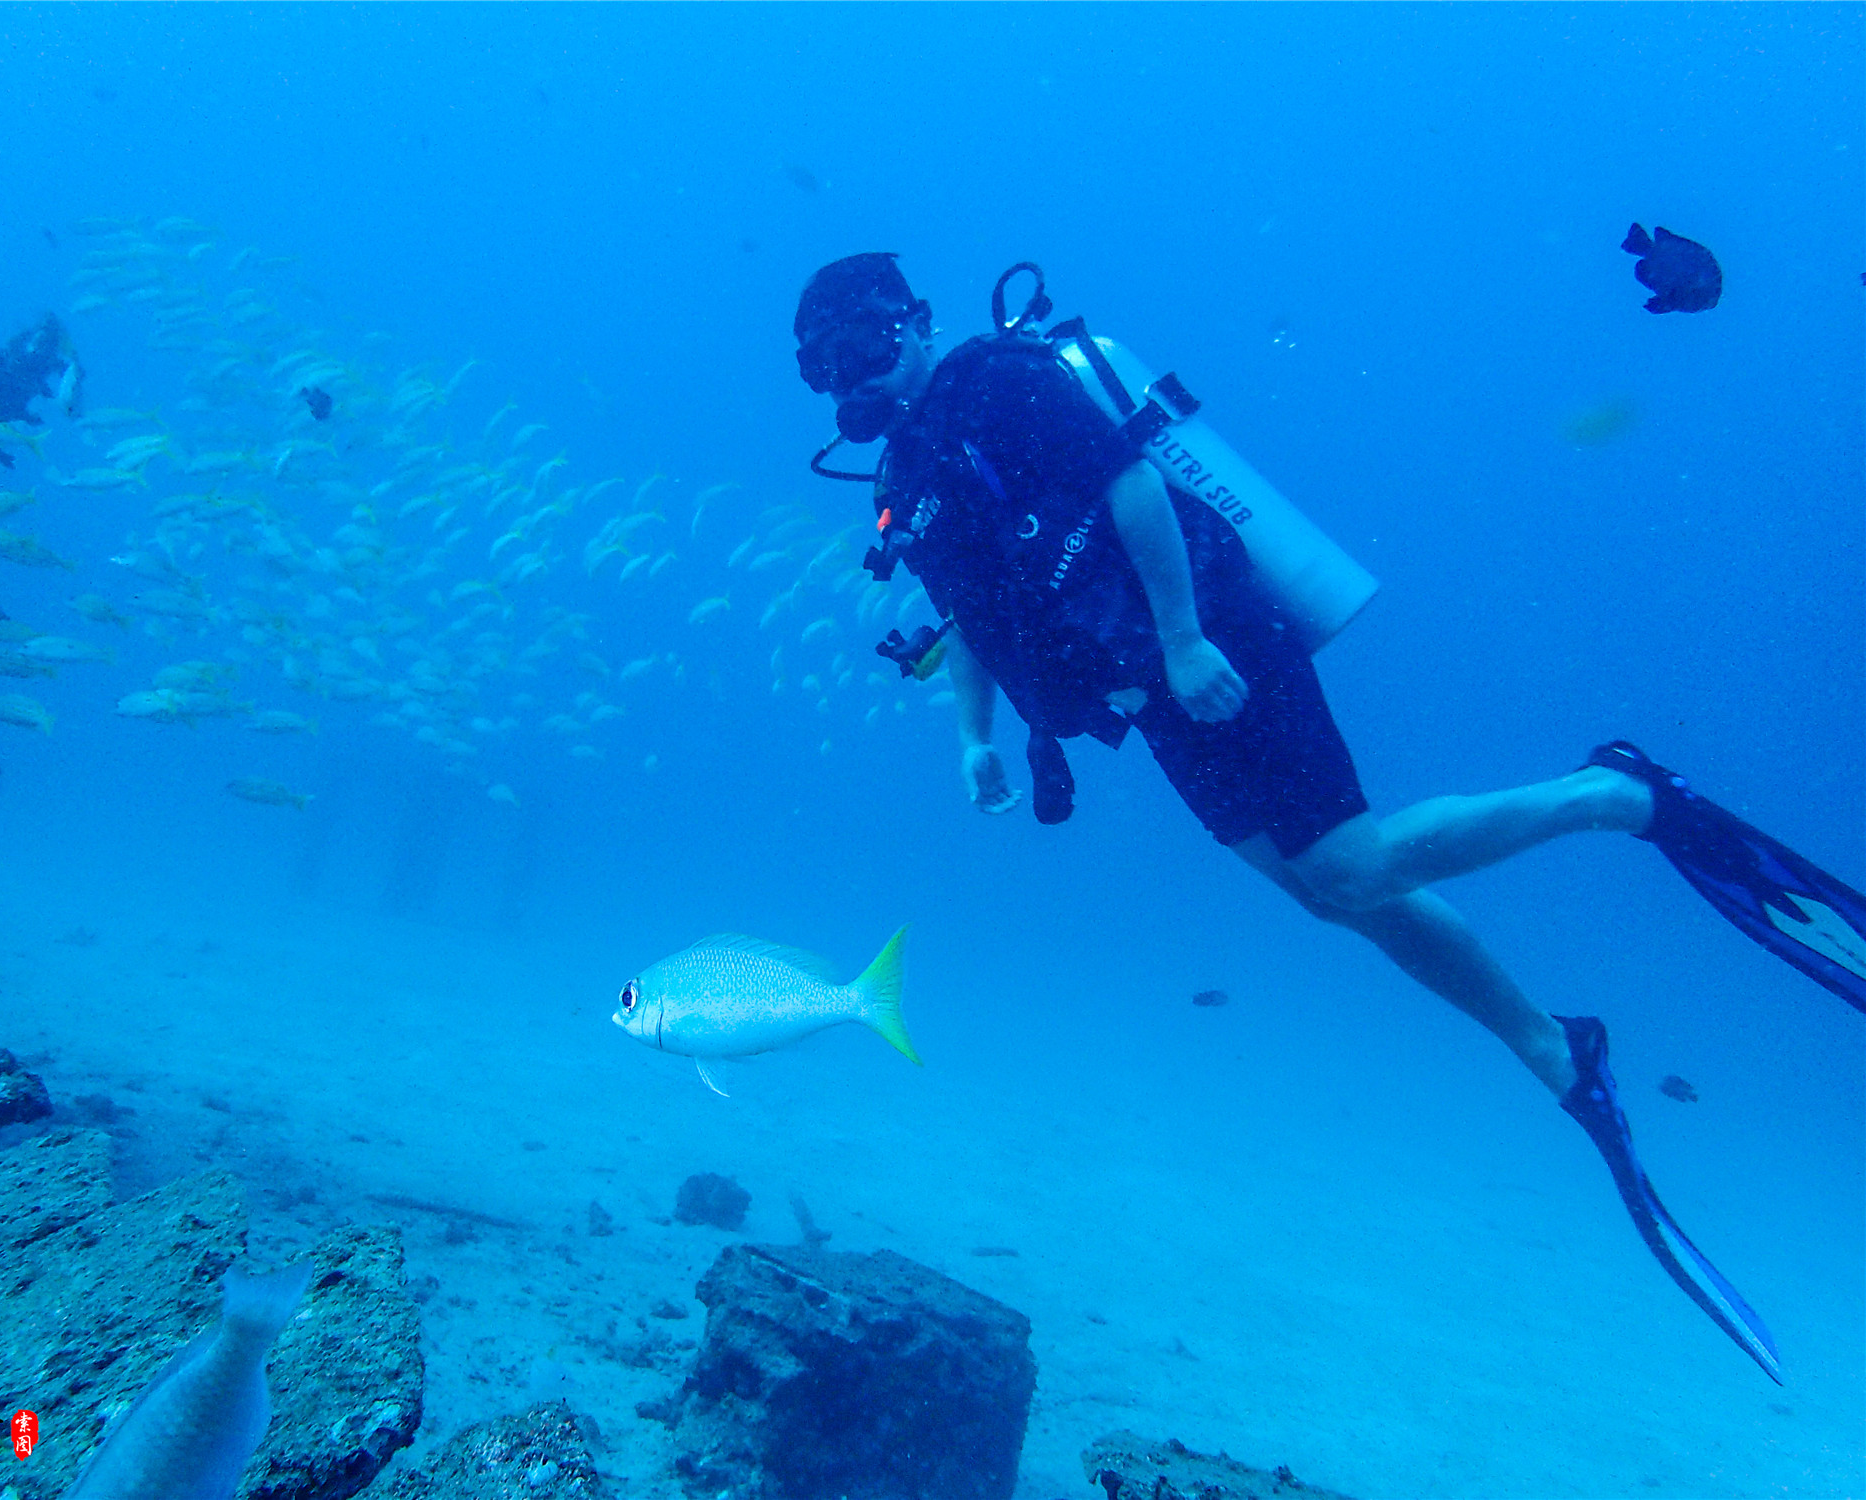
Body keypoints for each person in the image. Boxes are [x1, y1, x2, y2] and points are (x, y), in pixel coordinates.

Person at [791, 251, 1866, 1385]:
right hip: (1145, 697)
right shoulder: (903, 473)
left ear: (910, 324)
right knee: (1329, 894)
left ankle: (1616, 795)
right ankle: (1558, 1052)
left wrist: (1185, 637)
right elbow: (966, 613)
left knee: (1349, 866)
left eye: (860, 345)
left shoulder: (998, 383)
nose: (844, 376)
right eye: (822, 364)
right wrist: (974, 739)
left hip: (1209, 641)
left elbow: (1131, 488)